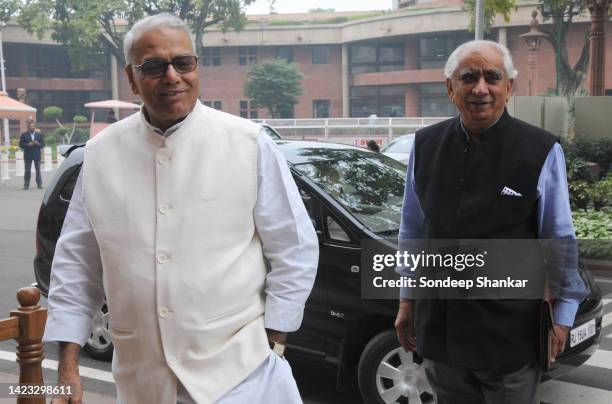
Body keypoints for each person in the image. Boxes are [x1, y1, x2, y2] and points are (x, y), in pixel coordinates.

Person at [44, 13, 319, 404]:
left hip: (241, 379)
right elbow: (76, 264)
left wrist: (275, 336)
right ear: (131, 78)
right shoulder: (101, 154)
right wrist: (68, 368)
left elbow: (295, 247)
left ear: (196, 67)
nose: (171, 76)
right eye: (154, 67)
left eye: (183, 63)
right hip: (142, 383)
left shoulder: (248, 144)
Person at [394, 40, 588, 404]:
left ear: (509, 87)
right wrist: (407, 301)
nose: (480, 88)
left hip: (509, 340)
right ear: (450, 87)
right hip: (442, 333)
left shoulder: (540, 150)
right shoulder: (425, 146)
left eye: (492, 77)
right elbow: (413, 231)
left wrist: (561, 319)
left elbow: (559, 239)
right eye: (468, 77)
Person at [19, 119, 45, 189]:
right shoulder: (24, 134)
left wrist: (38, 143)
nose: (32, 127)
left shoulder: (39, 135)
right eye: (31, 126)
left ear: (35, 127)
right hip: (28, 155)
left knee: (38, 170)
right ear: (28, 127)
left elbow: (43, 144)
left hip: (37, 155)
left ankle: (39, 184)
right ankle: (26, 185)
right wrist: (28, 144)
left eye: (33, 126)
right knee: (27, 171)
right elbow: (21, 145)